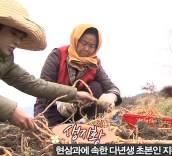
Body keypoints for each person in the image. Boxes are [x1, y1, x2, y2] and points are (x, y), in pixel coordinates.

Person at [0, 0, 95, 131]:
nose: (17, 42)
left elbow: (34, 84)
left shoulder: (5, 61)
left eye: (21, 38)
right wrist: (11, 110)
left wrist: (75, 94)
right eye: (13, 33)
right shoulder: (57, 55)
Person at [34, 24, 122, 126]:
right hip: (53, 108)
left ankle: (90, 124)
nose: (86, 49)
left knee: (96, 87)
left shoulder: (94, 63)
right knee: (53, 133)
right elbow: (43, 88)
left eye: (91, 46)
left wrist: (112, 96)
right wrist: (59, 102)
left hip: (78, 111)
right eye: (83, 43)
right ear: (76, 40)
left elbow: (112, 88)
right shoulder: (58, 55)